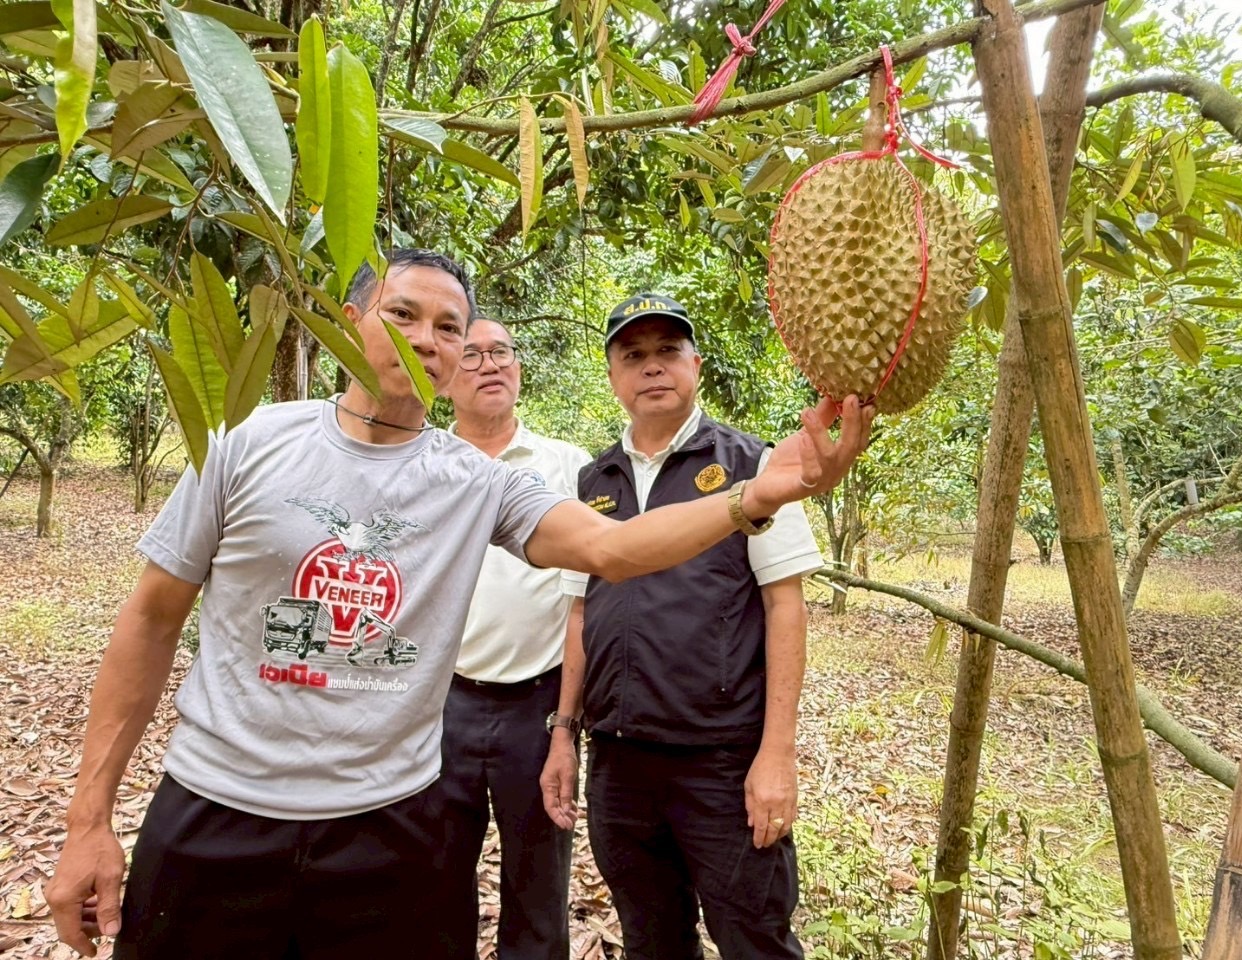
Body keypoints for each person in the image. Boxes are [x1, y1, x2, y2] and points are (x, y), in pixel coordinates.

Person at [46, 252, 873, 960]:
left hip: (391, 828)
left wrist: (758, 495)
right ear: (347, 319)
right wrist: (91, 819)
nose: (424, 341)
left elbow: (611, 549)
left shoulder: (475, 482)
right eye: (401, 312)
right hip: (215, 806)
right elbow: (152, 619)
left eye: (448, 328)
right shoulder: (245, 441)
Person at [542, 293, 832, 959]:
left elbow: (785, 605)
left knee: (754, 936)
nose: (652, 367)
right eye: (633, 355)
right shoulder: (592, 482)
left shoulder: (753, 466)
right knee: (652, 939)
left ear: (696, 364)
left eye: (668, 351)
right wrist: (564, 732)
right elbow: (580, 610)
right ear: (613, 377)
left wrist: (777, 754)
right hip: (618, 760)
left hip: (721, 761)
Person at [437, 317, 589, 959]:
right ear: (443, 378)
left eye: (501, 351)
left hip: (539, 706)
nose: (488, 364)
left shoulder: (569, 467)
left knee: (539, 881)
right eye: (469, 354)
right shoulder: (424, 461)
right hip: (439, 702)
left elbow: (586, 599)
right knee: (434, 871)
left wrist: (565, 725)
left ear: (519, 367)